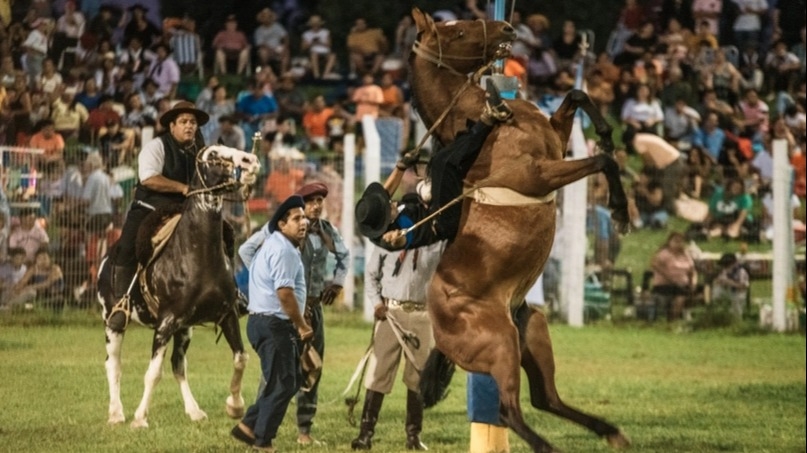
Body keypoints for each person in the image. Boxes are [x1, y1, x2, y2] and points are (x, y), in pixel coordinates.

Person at [240, 182, 348, 445]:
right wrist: (263, 278)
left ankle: (304, 430)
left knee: (310, 369)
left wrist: (338, 282)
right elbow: (246, 251)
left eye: (320, 199)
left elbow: (344, 256)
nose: (316, 205)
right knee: (276, 374)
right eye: (310, 201)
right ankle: (258, 428)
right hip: (284, 312)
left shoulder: (327, 231)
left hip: (312, 307)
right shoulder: (275, 232)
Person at [357, 82, 513, 250]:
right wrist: (396, 240)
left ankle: (478, 127)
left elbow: (385, 191)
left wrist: (402, 166)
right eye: (389, 207)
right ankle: (488, 119)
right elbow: (402, 240)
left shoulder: (376, 214)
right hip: (440, 221)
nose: (392, 202)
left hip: (430, 205)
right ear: (387, 221)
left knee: (439, 155)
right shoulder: (395, 234)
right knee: (442, 164)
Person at [107, 101, 209, 330]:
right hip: (150, 207)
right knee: (128, 246)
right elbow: (149, 178)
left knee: (220, 235)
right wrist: (183, 188)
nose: (189, 126)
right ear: (171, 126)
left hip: (187, 211)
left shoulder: (200, 151)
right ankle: (121, 303)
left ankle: (225, 296)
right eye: (183, 121)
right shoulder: (156, 146)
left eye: (193, 122)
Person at [350, 207, 444, 451]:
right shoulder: (386, 242)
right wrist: (378, 303)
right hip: (391, 314)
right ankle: (365, 434)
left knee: (418, 377)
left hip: (422, 315)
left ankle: (413, 436)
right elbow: (371, 276)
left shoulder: (436, 244)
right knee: (378, 373)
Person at [231, 195, 313, 453]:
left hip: (263, 323)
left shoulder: (274, 245)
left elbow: (247, 252)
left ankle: (248, 426)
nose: (304, 222)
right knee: (283, 383)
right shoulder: (283, 250)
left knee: (286, 380)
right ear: (281, 224)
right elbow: (285, 293)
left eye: (304, 217)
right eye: (297, 218)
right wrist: (301, 325)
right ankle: (262, 441)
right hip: (273, 324)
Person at [650, 231, 698, 321]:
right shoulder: (664, 254)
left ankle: (687, 315)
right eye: (675, 241)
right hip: (666, 284)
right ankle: (673, 319)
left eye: (680, 241)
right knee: (681, 295)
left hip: (683, 283)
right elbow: (655, 265)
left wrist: (693, 282)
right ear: (669, 242)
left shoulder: (685, 254)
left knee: (694, 291)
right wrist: (671, 278)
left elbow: (692, 270)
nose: (678, 244)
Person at [711, 252, 750, 319]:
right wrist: (719, 281)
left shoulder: (741, 271)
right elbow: (717, 281)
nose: (725, 267)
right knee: (717, 290)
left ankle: (736, 319)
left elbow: (743, 286)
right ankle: (718, 312)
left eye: (726, 265)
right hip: (728, 292)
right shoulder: (724, 271)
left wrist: (730, 283)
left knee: (736, 302)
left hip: (738, 294)